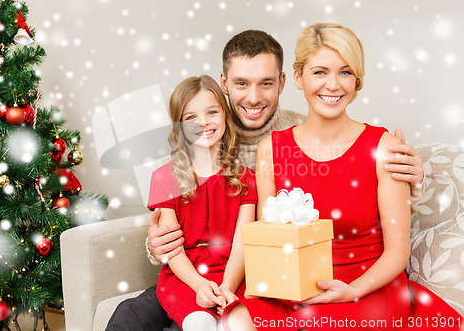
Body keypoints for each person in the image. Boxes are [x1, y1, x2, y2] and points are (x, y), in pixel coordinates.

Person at [105, 30, 425, 331]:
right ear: (224, 83)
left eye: (266, 84)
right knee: (129, 316)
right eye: (242, 83)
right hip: (192, 273)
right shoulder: (193, 136)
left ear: (284, 82)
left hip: (247, 272)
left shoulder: (301, 137)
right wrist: (154, 244)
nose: (254, 97)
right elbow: (167, 225)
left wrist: (414, 177)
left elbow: (344, 183)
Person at [222, 23, 462, 331]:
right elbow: (270, 239)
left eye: (345, 72)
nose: (333, 85)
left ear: (357, 80)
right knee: (238, 319)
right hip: (294, 287)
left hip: (365, 286)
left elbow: (397, 252)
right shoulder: (270, 148)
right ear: (298, 78)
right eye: (320, 72)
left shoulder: (384, 147)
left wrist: (354, 289)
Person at [146, 75, 257, 330]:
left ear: (225, 116)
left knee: (240, 323)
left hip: (235, 273)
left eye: (212, 112)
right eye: (191, 117)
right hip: (185, 278)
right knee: (201, 322)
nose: (204, 122)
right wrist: (199, 285)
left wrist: (228, 286)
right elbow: (172, 248)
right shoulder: (164, 178)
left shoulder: (246, 178)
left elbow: (243, 242)